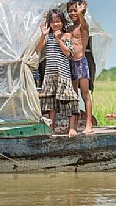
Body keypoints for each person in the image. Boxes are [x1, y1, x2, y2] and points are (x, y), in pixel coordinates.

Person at [35, 9, 80, 138]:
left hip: (63, 74)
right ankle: (52, 126)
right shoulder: (48, 36)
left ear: (63, 22)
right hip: (50, 73)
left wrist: (59, 39)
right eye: (53, 22)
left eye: (58, 21)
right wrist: (43, 35)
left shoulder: (67, 36)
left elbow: (68, 53)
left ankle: (72, 128)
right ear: (49, 23)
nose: (55, 24)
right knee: (51, 102)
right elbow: (38, 49)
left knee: (70, 99)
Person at [66, 0, 94, 135]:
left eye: (75, 10)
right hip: (70, 63)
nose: (73, 13)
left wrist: (81, 12)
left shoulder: (83, 26)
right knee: (73, 96)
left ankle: (89, 124)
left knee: (85, 94)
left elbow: (83, 22)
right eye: (70, 11)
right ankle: (73, 125)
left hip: (81, 62)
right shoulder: (69, 28)